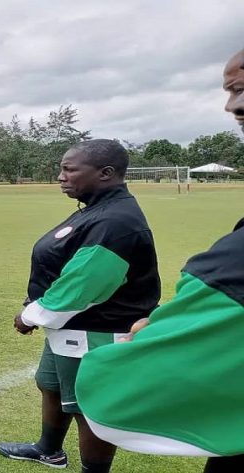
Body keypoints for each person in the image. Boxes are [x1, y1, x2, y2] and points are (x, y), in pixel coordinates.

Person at [74, 48, 244, 473]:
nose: (232, 105)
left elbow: (122, 389)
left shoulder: (118, 221)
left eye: (240, 89)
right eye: (230, 91)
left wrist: (162, 330)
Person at [0, 140, 161, 473]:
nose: (60, 176)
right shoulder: (98, 209)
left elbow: (84, 286)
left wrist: (31, 315)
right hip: (71, 326)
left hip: (96, 330)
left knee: (88, 409)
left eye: (69, 169)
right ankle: (49, 450)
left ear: (106, 173)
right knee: (51, 384)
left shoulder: (116, 222)